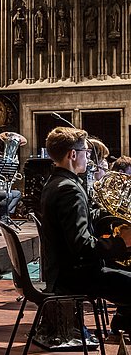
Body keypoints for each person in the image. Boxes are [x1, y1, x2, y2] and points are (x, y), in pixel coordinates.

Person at [40, 126, 131, 334]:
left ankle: (123, 324)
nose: (88, 158)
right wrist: (120, 243)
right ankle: (124, 324)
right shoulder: (69, 189)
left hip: (64, 271)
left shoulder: (57, 182)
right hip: (76, 277)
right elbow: (81, 246)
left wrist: (113, 218)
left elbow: (82, 219)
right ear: (73, 154)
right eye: (86, 153)